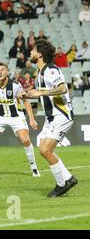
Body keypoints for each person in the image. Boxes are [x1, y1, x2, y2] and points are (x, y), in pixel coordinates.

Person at [22, 39, 77, 197]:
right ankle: (68, 178)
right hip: (51, 117)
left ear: (39, 54)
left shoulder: (50, 70)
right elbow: (42, 90)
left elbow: (62, 87)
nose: (30, 52)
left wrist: (41, 93)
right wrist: (28, 93)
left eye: (33, 50)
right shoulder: (40, 72)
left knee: (46, 150)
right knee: (43, 150)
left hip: (61, 114)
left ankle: (62, 184)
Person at [0, 63, 40, 177]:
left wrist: (32, 119)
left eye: (3, 70)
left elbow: (25, 101)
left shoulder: (15, 85)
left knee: (25, 140)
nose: (0, 72)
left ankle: (34, 168)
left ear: (7, 72)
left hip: (16, 117)